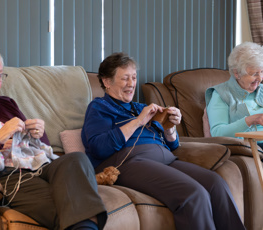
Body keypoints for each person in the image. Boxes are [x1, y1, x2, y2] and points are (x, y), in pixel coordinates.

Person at [0, 44, 107, 230]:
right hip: (10, 176)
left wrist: (39, 133)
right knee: (68, 207)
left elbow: (39, 145)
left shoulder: (7, 104)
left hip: (41, 166)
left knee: (76, 159)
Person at [81, 52, 245, 230]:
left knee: (216, 183)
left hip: (164, 158)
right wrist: (138, 122)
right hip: (128, 163)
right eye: (125, 78)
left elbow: (173, 146)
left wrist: (170, 127)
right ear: (106, 82)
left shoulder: (140, 108)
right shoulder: (99, 107)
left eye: (134, 77)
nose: (131, 84)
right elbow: (98, 148)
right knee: (192, 194)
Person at [206, 41, 263, 148]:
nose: (260, 78)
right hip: (250, 147)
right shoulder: (221, 94)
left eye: (262, 72)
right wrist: (251, 120)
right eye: (254, 74)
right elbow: (218, 133)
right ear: (237, 73)